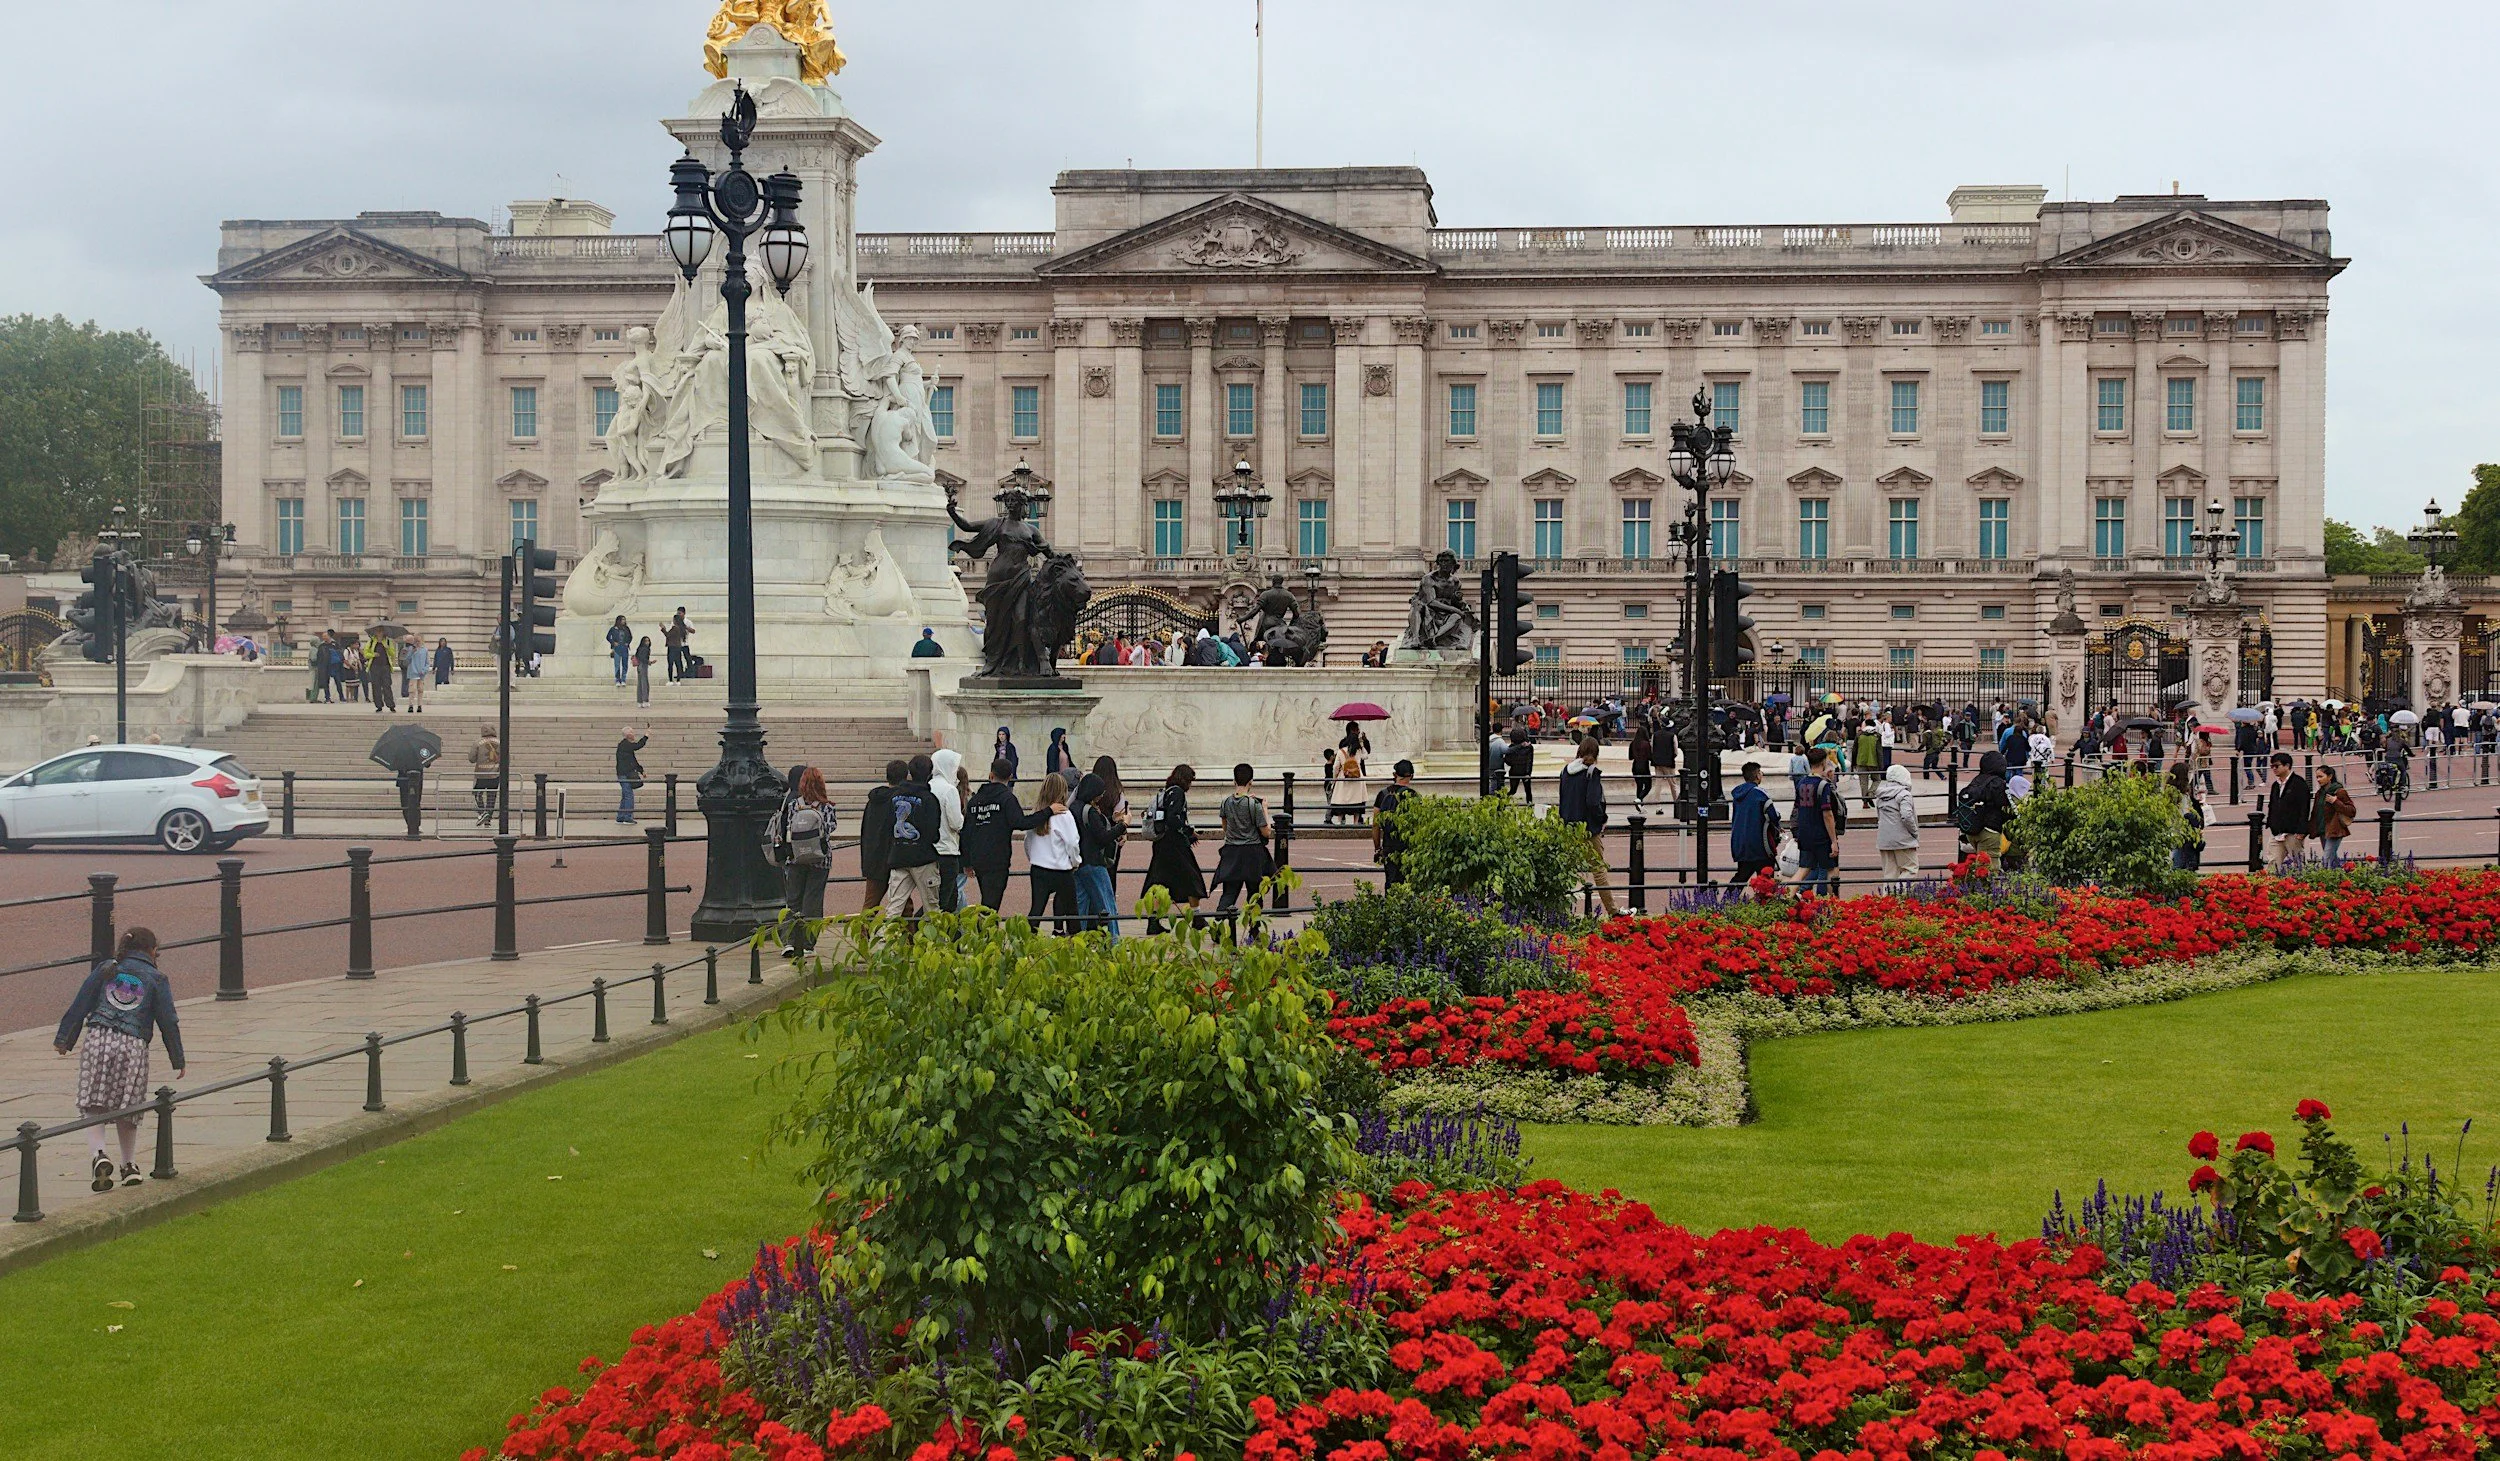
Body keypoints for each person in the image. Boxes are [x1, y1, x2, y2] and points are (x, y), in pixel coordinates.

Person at [54, 927, 185, 1192]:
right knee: (130, 1105)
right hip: (133, 1043)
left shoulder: (106, 968)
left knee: (93, 1101)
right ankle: (129, 1166)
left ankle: (99, 1154)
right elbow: (168, 1020)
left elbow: (82, 1002)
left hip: (99, 1037)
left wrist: (65, 1039)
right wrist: (177, 1057)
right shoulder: (157, 978)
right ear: (151, 950)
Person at [772, 767, 834, 956]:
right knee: (813, 902)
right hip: (820, 860)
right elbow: (830, 828)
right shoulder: (827, 806)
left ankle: (789, 942)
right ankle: (808, 944)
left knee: (793, 901)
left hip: (796, 858)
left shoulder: (793, 805)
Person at [1556, 737, 1618, 915]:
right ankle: (1612, 911)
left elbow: (1563, 799)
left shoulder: (1565, 772)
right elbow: (1593, 803)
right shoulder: (1592, 773)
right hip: (1588, 829)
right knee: (1598, 870)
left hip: (1568, 827)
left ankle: (1561, 912)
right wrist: (1602, 818)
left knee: (1565, 870)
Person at [1140, 765, 1206, 929]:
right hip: (1174, 845)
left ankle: (1153, 921)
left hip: (1162, 843)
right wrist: (1189, 831)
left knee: (1160, 881)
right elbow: (1173, 818)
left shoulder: (1167, 791)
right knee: (1192, 878)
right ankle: (1197, 916)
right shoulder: (1177, 793)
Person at [880, 755, 945, 920]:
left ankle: (884, 943)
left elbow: (887, 824)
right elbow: (933, 833)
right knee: (932, 910)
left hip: (898, 855)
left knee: (893, 908)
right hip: (923, 858)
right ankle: (935, 944)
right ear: (929, 774)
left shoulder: (894, 796)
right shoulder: (929, 799)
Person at [961, 757, 1025, 910]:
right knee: (991, 905)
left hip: (978, 857)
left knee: (988, 899)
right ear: (1010, 777)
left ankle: (986, 930)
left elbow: (967, 831)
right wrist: (1047, 812)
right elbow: (1020, 823)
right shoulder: (1007, 798)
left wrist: (966, 861)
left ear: (991, 775)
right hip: (998, 858)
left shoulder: (976, 799)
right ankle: (985, 932)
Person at [1211, 763, 1272, 915]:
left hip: (1231, 852)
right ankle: (1254, 931)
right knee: (1254, 894)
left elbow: (1225, 828)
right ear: (1251, 782)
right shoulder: (1253, 804)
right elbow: (1266, 832)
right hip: (1252, 853)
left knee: (1229, 893)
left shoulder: (1225, 802)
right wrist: (1264, 808)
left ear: (1234, 781)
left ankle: (1218, 927)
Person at [1024, 772, 1080, 934]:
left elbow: (1028, 842)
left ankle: (1027, 941)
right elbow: (1072, 842)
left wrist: (1033, 857)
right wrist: (1075, 861)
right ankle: (1074, 942)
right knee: (1071, 911)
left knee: (1036, 909)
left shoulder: (1037, 813)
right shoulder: (1064, 814)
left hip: (1039, 868)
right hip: (1061, 869)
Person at [1071, 771, 1124, 939]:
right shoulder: (1091, 812)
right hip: (1094, 862)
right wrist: (1123, 825)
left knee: (1081, 905)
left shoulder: (1074, 807)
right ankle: (1114, 941)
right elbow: (1102, 837)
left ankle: (1078, 941)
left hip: (1078, 863)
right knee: (1107, 903)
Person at [1792, 746, 1843, 897]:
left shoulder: (1801, 783)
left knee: (1803, 869)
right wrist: (1833, 840)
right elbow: (1827, 814)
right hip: (1821, 834)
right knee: (1831, 870)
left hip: (1805, 832)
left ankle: (1786, 898)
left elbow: (1797, 808)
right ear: (1823, 762)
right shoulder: (1823, 785)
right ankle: (1834, 904)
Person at [858, 759, 906, 912]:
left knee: (870, 905)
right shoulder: (901, 800)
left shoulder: (873, 801)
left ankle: (863, 935)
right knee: (904, 905)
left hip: (874, 857)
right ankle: (909, 935)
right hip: (896, 857)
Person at [929, 746, 967, 913]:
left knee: (938, 896)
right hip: (947, 849)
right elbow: (956, 823)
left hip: (930, 849)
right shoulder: (949, 789)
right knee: (946, 898)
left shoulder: (928, 786)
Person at [1728, 761, 1778, 885]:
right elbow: (1773, 816)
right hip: (1760, 843)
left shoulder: (1738, 794)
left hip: (1741, 842)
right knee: (1766, 879)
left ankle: (1726, 901)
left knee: (1741, 876)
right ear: (1757, 775)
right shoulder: (1760, 794)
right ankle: (1765, 903)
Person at [1372, 760, 1420, 887]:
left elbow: (1376, 824)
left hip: (1389, 844)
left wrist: (1377, 848)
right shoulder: (1413, 795)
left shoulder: (1382, 794)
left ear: (1395, 774)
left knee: (1391, 881)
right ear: (1411, 776)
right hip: (1407, 846)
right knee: (1408, 882)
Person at [1875, 763, 1920, 891]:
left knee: (1890, 874)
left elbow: (1878, 816)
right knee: (1911, 869)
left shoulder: (1881, 795)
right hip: (1903, 839)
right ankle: (1899, 895)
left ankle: (1887, 901)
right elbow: (1907, 816)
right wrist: (1914, 832)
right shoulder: (1904, 794)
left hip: (1884, 839)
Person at [2264, 752, 2311, 869]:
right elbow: (2272, 805)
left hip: (2293, 832)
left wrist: (2302, 829)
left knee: (2298, 863)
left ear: (2287, 766)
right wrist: (2271, 822)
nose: (2274, 769)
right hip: (2277, 831)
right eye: (2272, 766)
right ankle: (2273, 885)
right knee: (2273, 862)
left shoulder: (2299, 783)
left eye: (2277, 766)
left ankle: (2301, 885)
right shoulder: (2275, 785)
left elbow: (2304, 807)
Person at [1963, 750, 2013, 859]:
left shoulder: (1977, 780)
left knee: (1980, 864)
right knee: (1990, 867)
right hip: (1989, 829)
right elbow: (2005, 805)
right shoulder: (1997, 783)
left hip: (1972, 829)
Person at [2311, 763, 2355, 867]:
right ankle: (2340, 880)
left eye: (2321, 776)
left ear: (2330, 777)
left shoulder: (2339, 791)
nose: (2318, 779)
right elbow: (2315, 813)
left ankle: (2327, 881)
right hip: (2323, 830)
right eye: (2317, 777)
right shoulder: (2319, 793)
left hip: (2334, 830)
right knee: (2332, 861)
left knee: (2326, 861)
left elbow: (2351, 811)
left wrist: (2335, 801)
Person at [2168, 761, 2207, 872]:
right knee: (2180, 867)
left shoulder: (2171, 792)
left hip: (2176, 834)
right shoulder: (2181, 795)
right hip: (2181, 836)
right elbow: (2186, 815)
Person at [615, 726, 648, 824]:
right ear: (628, 735)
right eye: (632, 733)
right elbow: (638, 745)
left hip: (624, 773)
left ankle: (621, 816)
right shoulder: (624, 745)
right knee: (629, 795)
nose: (634, 735)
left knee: (626, 795)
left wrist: (641, 770)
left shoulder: (626, 746)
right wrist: (646, 736)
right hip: (624, 774)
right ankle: (627, 817)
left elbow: (633, 760)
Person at [469, 725, 501, 826]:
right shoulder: (500, 742)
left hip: (481, 774)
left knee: (477, 794)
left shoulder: (477, 743)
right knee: (491, 796)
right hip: (495, 773)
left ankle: (482, 812)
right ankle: (488, 817)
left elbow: (471, 758)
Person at [1503, 728, 1535, 803]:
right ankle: (1529, 806)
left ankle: (1502, 804)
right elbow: (1529, 761)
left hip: (1514, 770)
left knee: (1513, 790)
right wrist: (1528, 773)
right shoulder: (1529, 747)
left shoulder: (1512, 747)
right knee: (1528, 791)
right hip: (1525, 772)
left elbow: (1507, 760)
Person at [367, 633, 397, 713]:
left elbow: (393, 654)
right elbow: (366, 654)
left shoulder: (387, 641)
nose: (380, 633)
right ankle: (379, 705)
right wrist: (373, 654)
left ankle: (391, 705)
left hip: (385, 666)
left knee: (387, 685)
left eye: (381, 631)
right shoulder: (371, 641)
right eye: (379, 631)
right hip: (374, 666)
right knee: (376, 686)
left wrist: (388, 648)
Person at [396, 763, 425, 839]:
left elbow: (427, 764)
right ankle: (411, 824)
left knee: (414, 801)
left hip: (414, 779)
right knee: (406, 803)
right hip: (405, 779)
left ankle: (415, 825)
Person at [1628, 726, 1655, 807]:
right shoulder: (1646, 744)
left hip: (1635, 765)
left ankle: (1640, 804)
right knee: (1648, 786)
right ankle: (1639, 799)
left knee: (1639, 786)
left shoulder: (1633, 743)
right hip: (1644, 766)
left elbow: (1630, 757)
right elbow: (1650, 757)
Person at [664, 609, 694, 682]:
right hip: (677, 644)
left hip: (684, 643)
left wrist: (685, 627)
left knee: (688, 658)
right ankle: (680, 674)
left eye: (680, 613)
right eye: (678, 613)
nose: (679, 614)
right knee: (678, 660)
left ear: (684, 613)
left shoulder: (688, 622)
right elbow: (671, 633)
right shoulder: (674, 624)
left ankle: (690, 673)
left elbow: (693, 631)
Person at [404, 637, 431, 713]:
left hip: (421, 673)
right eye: (416, 641)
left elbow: (427, 662)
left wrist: (424, 670)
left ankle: (419, 705)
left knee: (420, 689)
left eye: (419, 641)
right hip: (413, 672)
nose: (417, 643)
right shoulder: (410, 649)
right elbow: (406, 660)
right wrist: (412, 652)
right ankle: (411, 705)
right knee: (412, 690)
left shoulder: (424, 650)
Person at [606, 615, 633, 687]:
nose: (624, 621)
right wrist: (613, 642)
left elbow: (630, 637)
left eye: (624, 619)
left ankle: (623, 679)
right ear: (619, 620)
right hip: (617, 648)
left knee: (625, 664)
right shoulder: (613, 629)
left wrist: (628, 643)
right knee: (617, 665)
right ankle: (617, 680)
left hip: (624, 647)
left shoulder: (626, 628)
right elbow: (608, 637)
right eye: (622, 619)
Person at [632, 635, 654, 706]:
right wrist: (649, 662)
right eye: (646, 641)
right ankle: (645, 700)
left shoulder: (639, 648)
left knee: (640, 684)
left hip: (639, 666)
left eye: (648, 641)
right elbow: (643, 658)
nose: (647, 642)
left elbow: (638, 656)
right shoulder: (645, 649)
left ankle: (640, 701)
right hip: (643, 665)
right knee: (645, 683)